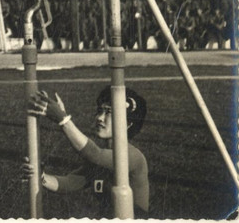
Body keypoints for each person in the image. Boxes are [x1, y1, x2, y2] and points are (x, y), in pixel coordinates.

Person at [25, 86, 149, 219]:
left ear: (128, 124)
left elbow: (93, 154)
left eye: (108, 112)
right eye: (100, 111)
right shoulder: (101, 159)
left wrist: (63, 120)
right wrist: (41, 177)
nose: (100, 118)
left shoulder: (133, 156)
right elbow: (70, 182)